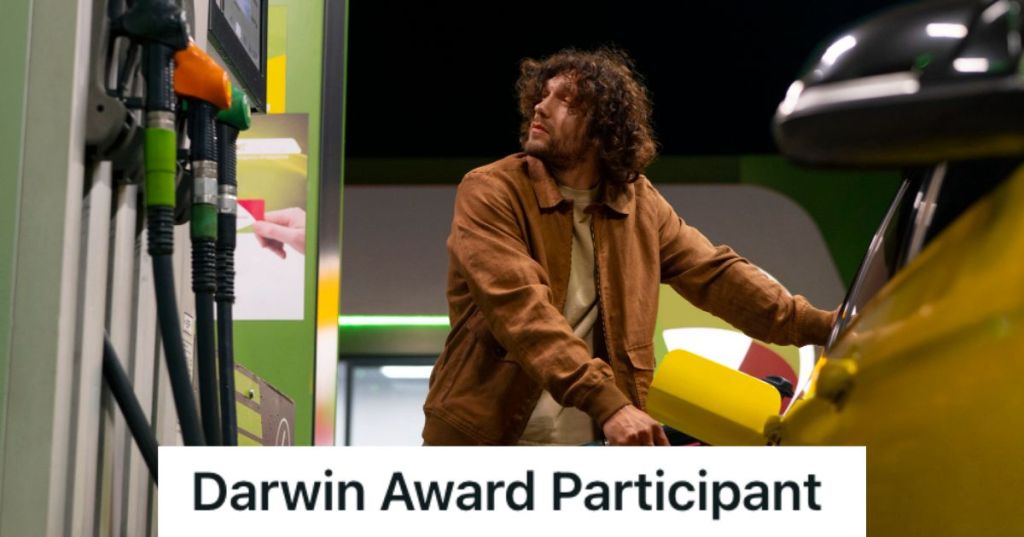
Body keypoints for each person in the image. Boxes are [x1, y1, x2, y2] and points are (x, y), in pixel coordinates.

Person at [421, 48, 836, 446]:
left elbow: (715, 274)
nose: (541, 107)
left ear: (604, 126)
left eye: (565, 100)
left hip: (596, 445)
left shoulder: (638, 201)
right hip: (485, 442)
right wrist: (609, 404)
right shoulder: (492, 190)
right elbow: (520, 309)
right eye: (542, 95)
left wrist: (825, 326)